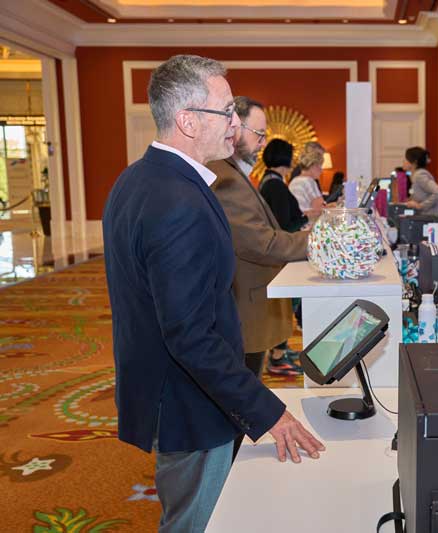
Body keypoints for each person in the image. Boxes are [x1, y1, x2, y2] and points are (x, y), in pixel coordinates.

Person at [102, 55, 324, 532]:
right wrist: (268, 412)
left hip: (169, 391)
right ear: (186, 120)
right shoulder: (178, 200)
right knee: (195, 522)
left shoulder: (138, 179)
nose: (235, 126)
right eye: (225, 112)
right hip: (189, 403)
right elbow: (189, 336)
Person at [208, 95, 308, 460]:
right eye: (259, 133)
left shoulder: (234, 172)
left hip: (249, 299)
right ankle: (229, 475)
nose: (264, 142)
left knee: (248, 386)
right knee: (241, 395)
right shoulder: (225, 176)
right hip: (243, 306)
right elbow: (262, 243)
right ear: (234, 127)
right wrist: (322, 241)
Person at [259, 139, 307, 233]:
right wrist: (307, 218)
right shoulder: (276, 185)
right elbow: (285, 228)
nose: (293, 162)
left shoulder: (268, 179)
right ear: (285, 158)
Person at [402, 146, 438, 217]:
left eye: (406, 159)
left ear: (414, 162)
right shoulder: (416, 175)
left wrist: (420, 206)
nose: (403, 161)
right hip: (423, 217)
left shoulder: (420, 175)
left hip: (428, 218)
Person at [289, 145, 326, 218]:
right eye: (320, 166)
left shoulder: (295, 180)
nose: (321, 170)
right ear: (313, 166)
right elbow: (320, 208)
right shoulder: (309, 181)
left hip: (298, 222)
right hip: (307, 224)